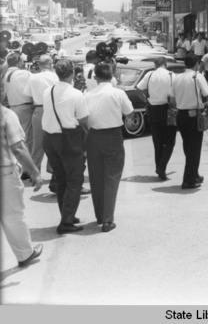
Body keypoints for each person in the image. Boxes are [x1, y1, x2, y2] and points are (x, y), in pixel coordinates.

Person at [85, 62, 134, 232]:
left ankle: (100, 215)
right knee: (112, 177)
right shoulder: (117, 93)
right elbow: (129, 112)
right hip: (113, 136)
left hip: (93, 137)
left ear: (96, 77)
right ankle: (107, 219)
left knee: (96, 178)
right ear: (111, 75)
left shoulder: (87, 94)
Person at [42, 59, 88, 234]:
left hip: (49, 139)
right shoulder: (76, 94)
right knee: (75, 180)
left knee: (61, 179)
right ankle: (66, 221)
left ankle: (66, 215)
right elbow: (84, 120)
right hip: (67, 139)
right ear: (71, 74)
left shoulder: (48, 91)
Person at [1, 105, 44, 268]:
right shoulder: (6, 114)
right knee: (13, 217)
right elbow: (18, 148)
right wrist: (34, 172)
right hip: (5, 175)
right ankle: (25, 253)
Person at [172, 54, 208, 189]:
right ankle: (188, 180)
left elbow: (171, 100)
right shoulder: (197, 76)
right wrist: (206, 108)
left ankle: (194, 174)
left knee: (188, 147)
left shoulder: (176, 78)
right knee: (194, 149)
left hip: (180, 116)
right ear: (196, 64)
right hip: (194, 116)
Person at [136, 57, 176, 180]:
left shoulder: (150, 74)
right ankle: (161, 167)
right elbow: (174, 94)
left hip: (153, 110)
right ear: (165, 64)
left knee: (157, 142)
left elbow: (138, 89)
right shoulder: (171, 75)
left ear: (155, 65)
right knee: (169, 141)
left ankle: (159, 167)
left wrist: (146, 101)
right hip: (167, 109)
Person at [24, 55, 59, 182]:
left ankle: (34, 173)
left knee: (37, 144)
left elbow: (27, 94)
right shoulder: (55, 76)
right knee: (55, 141)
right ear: (50, 63)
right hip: (53, 110)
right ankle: (54, 170)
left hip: (38, 109)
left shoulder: (33, 77)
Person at [2, 53, 34, 156]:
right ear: (18, 62)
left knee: (16, 136)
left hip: (13, 107)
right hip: (25, 107)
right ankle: (25, 164)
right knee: (26, 137)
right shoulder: (24, 73)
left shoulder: (5, 75)